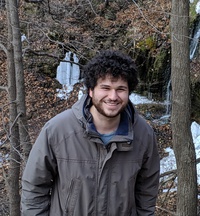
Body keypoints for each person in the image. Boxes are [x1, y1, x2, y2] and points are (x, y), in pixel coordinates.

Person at [21, 50, 160, 216]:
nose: (113, 96)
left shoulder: (143, 135)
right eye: (105, 88)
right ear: (91, 90)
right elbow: (34, 189)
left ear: (129, 92)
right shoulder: (57, 131)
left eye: (120, 89)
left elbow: (147, 193)